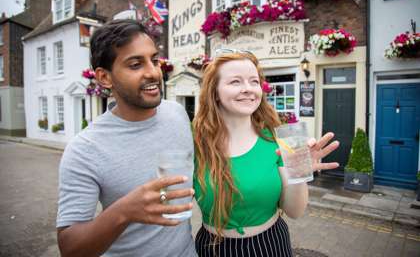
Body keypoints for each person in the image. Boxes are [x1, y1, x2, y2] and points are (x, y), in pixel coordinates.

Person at [56, 19, 197, 257]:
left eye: (154, 60)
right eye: (135, 65)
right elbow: (70, 248)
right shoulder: (84, 149)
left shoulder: (177, 113)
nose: (153, 72)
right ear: (104, 78)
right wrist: (124, 211)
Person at [192, 51, 340, 256]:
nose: (248, 89)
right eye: (235, 81)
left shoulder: (281, 138)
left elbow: (294, 212)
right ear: (214, 91)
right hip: (212, 248)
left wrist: (300, 173)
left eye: (254, 81)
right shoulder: (194, 141)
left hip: (269, 245)